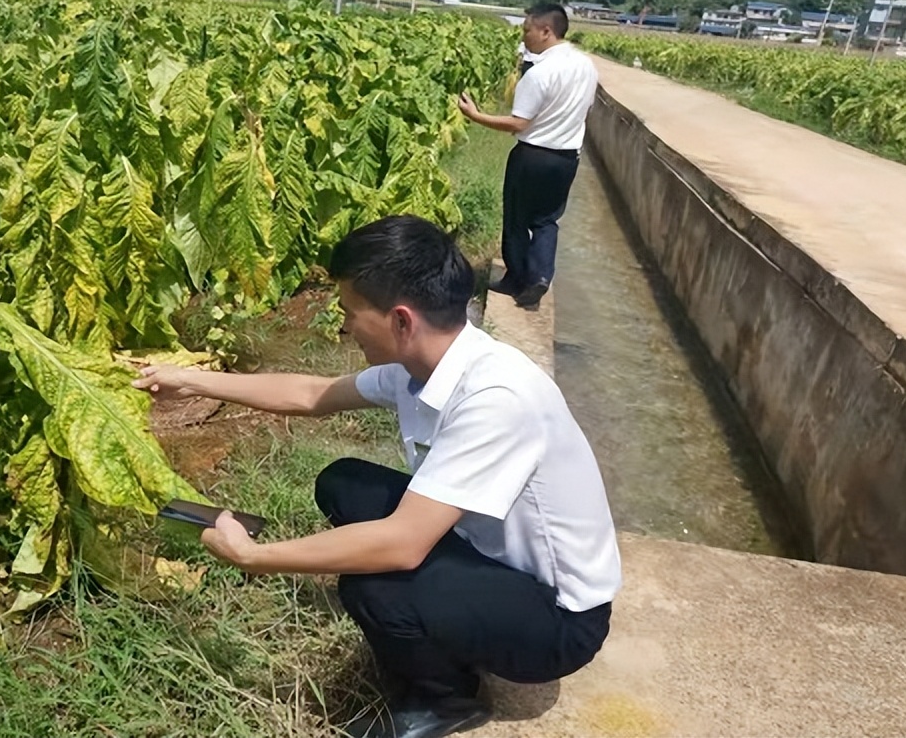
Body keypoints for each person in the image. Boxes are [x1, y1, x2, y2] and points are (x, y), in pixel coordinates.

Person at [133, 215, 621, 738]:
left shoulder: (496, 398)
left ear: (401, 321)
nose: (344, 327)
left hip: (557, 621)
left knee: (376, 586)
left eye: (350, 312)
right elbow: (311, 395)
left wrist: (253, 557)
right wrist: (193, 381)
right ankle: (446, 623)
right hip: (490, 558)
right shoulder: (428, 363)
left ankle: (445, 700)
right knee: (343, 484)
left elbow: (403, 546)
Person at [458, 3, 598, 309]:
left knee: (517, 218)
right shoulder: (586, 66)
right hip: (566, 158)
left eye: (527, 30)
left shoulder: (539, 73)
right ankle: (541, 276)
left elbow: (519, 123)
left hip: (533, 155)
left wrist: (475, 115)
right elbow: (585, 110)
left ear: (546, 31)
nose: (524, 37)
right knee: (547, 220)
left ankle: (516, 278)